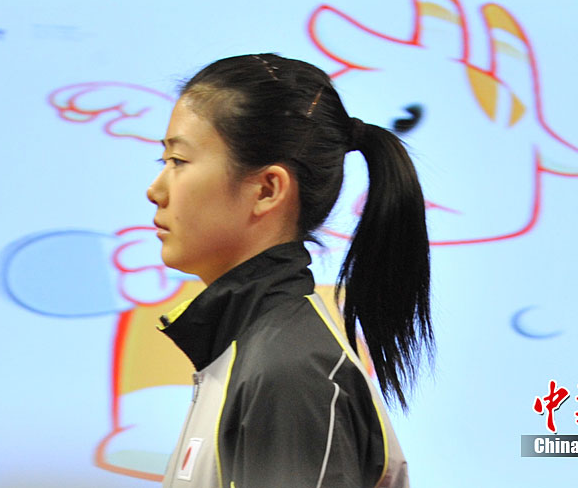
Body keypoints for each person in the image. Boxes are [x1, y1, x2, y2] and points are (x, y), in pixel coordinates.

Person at [147, 54, 433, 488]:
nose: (156, 190)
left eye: (178, 161)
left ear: (267, 189)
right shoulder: (254, 352)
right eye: (164, 162)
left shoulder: (290, 373)